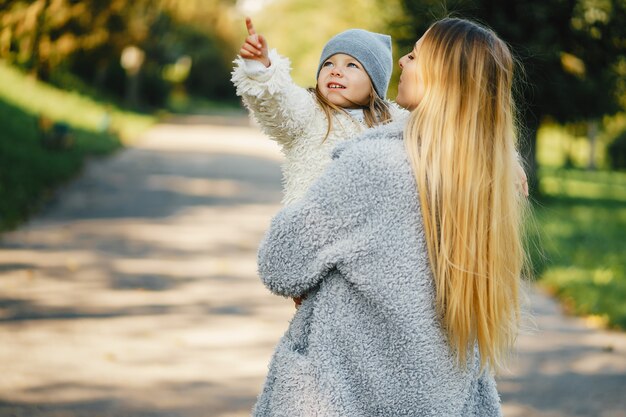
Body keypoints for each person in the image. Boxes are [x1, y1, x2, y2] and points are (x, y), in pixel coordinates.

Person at [254, 17, 529, 416]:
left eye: (415, 55)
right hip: (441, 399)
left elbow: (280, 265)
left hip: (346, 395)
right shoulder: (487, 183)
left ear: (443, 76)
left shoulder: (374, 165)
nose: (401, 61)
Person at [231, 18, 406, 205]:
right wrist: (261, 70)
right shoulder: (309, 112)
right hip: (311, 226)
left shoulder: (394, 124)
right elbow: (278, 101)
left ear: (374, 83)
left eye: (351, 65)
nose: (336, 71)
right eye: (328, 63)